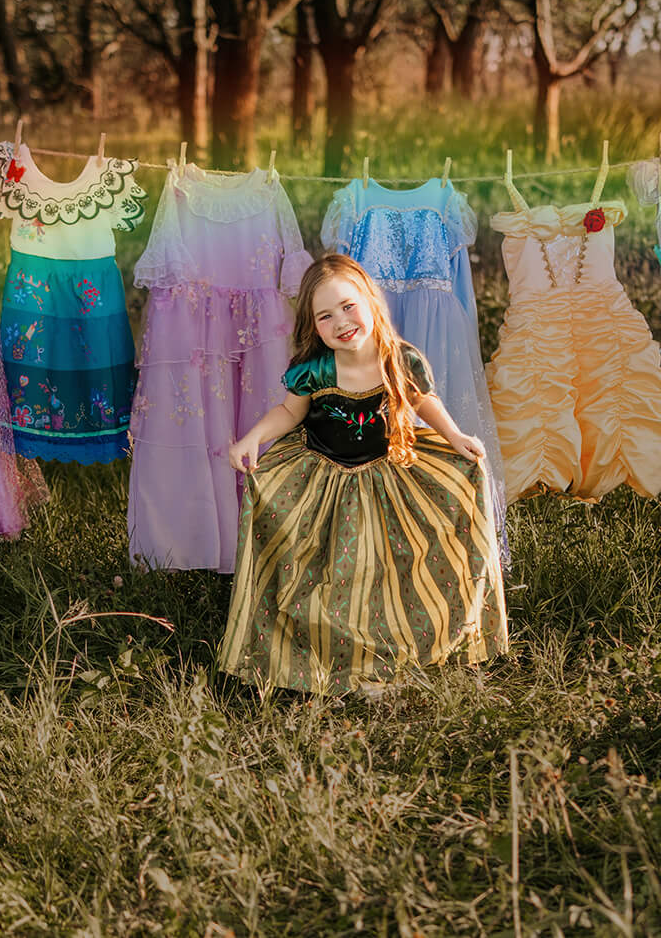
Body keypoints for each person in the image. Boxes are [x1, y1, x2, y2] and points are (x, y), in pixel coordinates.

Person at [217, 253, 509, 695]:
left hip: (389, 472)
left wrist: (454, 436)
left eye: (348, 306)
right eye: (325, 316)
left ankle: (396, 649)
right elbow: (288, 413)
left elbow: (421, 401)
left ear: (371, 301)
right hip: (323, 477)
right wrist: (251, 440)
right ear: (313, 326)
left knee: (390, 567)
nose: (340, 322)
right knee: (334, 569)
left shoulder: (400, 359)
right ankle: (326, 653)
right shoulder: (313, 371)